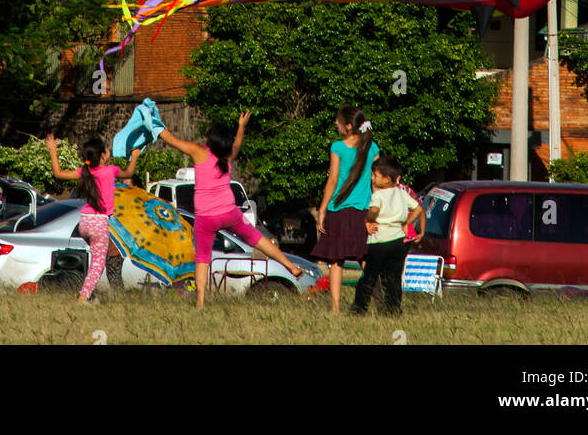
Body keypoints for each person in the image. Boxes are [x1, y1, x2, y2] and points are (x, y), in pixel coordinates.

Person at [158, 111, 304, 307]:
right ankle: (291, 266)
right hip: (230, 213)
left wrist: (153, 122)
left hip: (206, 218)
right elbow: (237, 143)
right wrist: (241, 126)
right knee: (258, 239)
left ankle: (200, 302)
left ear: (210, 140)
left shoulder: (199, 152)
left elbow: (171, 140)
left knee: (202, 258)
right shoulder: (227, 157)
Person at [46, 133, 140, 302]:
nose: (109, 150)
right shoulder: (111, 171)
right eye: (107, 149)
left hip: (84, 222)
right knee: (98, 264)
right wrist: (134, 156)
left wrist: (53, 149)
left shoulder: (85, 172)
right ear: (102, 155)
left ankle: (89, 294)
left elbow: (58, 173)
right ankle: (83, 297)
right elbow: (130, 172)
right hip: (99, 223)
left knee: (97, 259)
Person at [312, 106, 380, 314]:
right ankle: (381, 302)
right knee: (365, 259)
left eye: (339, 122)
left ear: (349, 126)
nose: (336, 124)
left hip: (338, 209)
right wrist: (376, 212)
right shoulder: (373, 147)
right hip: (363, 211)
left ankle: (335, 308)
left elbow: (332, 181)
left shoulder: (338, 147)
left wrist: (322, 209)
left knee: (336, 260)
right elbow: (376, 182)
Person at [352, 156, 425, 316]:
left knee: (369, 277)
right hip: (398, 241)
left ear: (386, 179)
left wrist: (368, 220)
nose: (372, 178)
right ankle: (393, 310)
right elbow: (419, 208)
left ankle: (359, 309)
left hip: (379, 240)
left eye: (375, 176)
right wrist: (407, 222)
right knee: (393, 277)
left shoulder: (378, 195)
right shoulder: (401, 193)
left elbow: (374, 210)